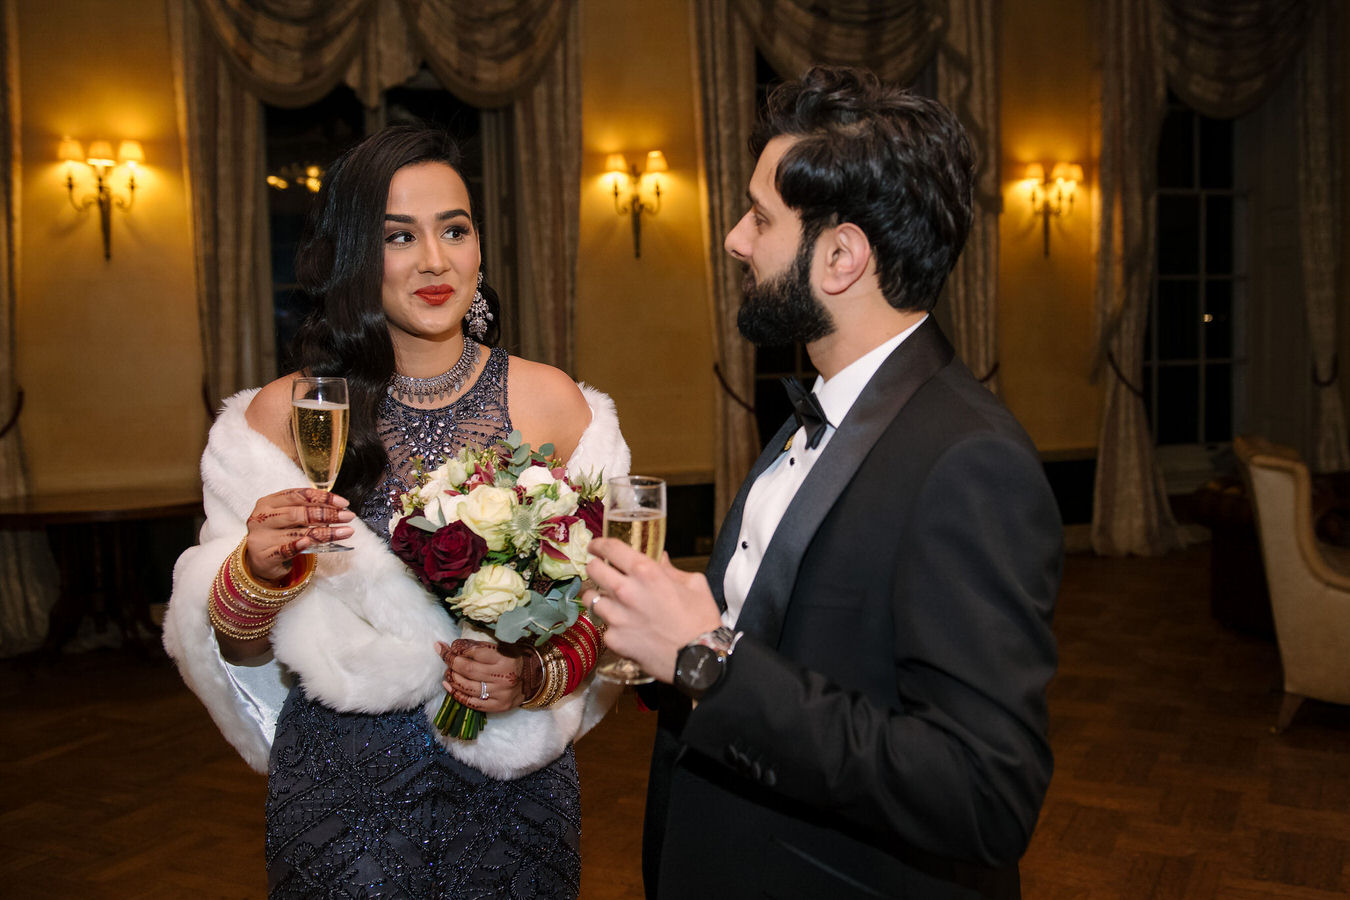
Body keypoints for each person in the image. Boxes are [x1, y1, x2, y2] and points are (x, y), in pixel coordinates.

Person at [585, 66, 1062, 899]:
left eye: (761, 217)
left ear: (841, 256)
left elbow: (985, 793)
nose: (735, 238)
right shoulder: (824, 413)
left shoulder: (970, 460)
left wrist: (708, 659)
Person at [163, 125, 629, 898]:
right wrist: (256, 569)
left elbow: (608, 611)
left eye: (455, 228)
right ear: (353, 254)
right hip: (342, 792)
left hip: (514, 790)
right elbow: (234, 643)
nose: (436, 260)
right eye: (398, 237)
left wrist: (531, 675)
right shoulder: (284, 416)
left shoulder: (553, 404)